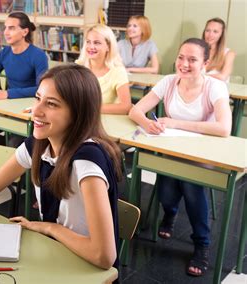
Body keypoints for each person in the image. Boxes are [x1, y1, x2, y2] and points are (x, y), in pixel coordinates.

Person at [0, 64, 121, 270]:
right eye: (38, 98)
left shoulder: (87, 161)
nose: (36, 111)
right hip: (53, 253)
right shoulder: (38, 145)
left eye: (52, 104)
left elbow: (104, 256)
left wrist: (49, 228)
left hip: (85, 267)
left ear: (78, 113)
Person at [128, 38, 231, 277]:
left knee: (191, 189)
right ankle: (171, 212)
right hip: (170, 149)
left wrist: (175, 123)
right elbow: (135, 110)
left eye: (193, 59)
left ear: (205, 63)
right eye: (181, 57)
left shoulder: (215, 87)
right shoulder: (168, 82)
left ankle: (201, 244)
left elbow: (224, 128)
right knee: (165, 191)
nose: (184, 64)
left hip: (200, 154)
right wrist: (148, 124)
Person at [76, 24, 131, 114]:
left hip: (106, 122)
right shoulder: (78, 67)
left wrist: (89, 109)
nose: (91, 47)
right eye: (88, 42)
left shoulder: (117, 71)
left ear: (108, 47)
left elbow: (126, 107)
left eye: (97, 43)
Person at [202, 17, 236, 82]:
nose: (210, 35)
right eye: (207, 30)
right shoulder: (198, 51)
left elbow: (223, 77)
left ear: (221, 35)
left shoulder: (229, 53)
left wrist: (198, 76)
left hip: (217, 91)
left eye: (215, 31)